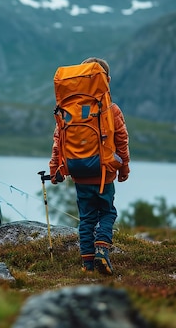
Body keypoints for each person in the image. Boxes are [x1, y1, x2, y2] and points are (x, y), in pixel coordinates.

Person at [48, 57, 130, 275]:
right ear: (106, 80)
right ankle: (102, 247)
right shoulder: (111, 110)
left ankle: (87, 265)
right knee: (107, 212)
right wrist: (124, 168)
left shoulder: (68, 111)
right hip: (104, 172)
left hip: (78, 171)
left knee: (86, 219)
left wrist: (54, 168)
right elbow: (122, 141)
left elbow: (58, 142)